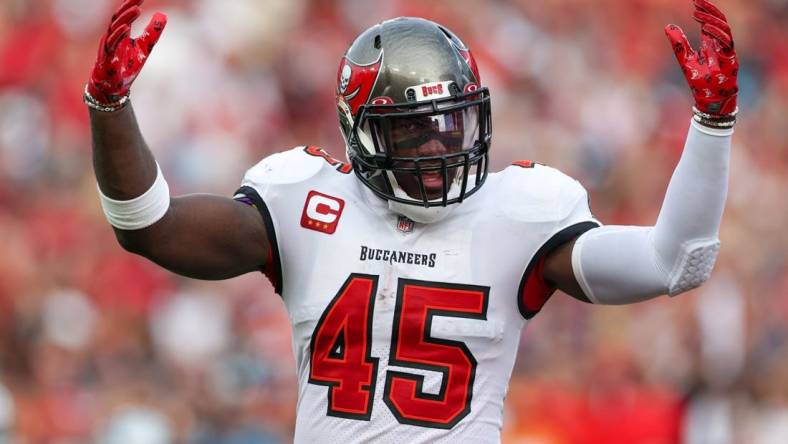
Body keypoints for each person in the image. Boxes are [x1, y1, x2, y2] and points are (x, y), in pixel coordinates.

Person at [85, 0, 738, 441]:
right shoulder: (305, 204)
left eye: (451, 120)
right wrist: (108, 108)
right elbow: (148, 226)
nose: (440, 144)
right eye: (415, 130)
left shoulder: (520, 213)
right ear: (361, 133)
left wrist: (712, 128)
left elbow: (673, 261)